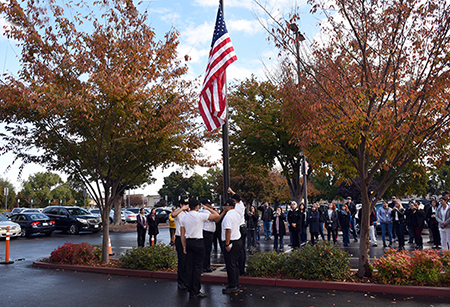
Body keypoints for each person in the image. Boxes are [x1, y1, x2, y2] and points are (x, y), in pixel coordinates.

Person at [180, 199, 219, 298]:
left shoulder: (184, 218)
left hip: (189, 242)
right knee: (197, 267)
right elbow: (216, 215)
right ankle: (196, 290)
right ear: (197, 206)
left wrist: (184, 246)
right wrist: (207, 208)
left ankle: (189, 287)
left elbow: (182, 234)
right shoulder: (200, 215)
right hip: (198, 242)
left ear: (189, 206)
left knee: (189, 266)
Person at [221, 199, 243, 294]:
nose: (225, 207)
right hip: (237, 240)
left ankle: (233, 285)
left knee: (230, 264)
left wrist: (227, 243)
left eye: (226, 206)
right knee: (235, 264)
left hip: (231, 241)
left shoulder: (228, 216)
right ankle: (236, 283)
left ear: (229, 206)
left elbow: (228, 230)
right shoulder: (236, 214)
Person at [172, 199, 190, 290]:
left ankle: (186, 280)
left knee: (187, 261)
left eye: (187, 204)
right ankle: (180, 282)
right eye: (185, 204)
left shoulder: (186, 214)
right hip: (179, 238)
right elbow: (173, 215)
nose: (187, 206)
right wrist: (181, 208)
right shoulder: (178, 213)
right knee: (182, 260)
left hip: (187, 238)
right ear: (181, 204)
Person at [201, 199, 220, 273]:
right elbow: (216, 219)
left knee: (208, 250)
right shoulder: (206, 212)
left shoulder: (208, 211)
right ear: (205, 205)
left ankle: (207, 265)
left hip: (210, 233)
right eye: (209, 204)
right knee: (207, 250)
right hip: (207, 233)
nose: (211, 205)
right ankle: (205, 266)